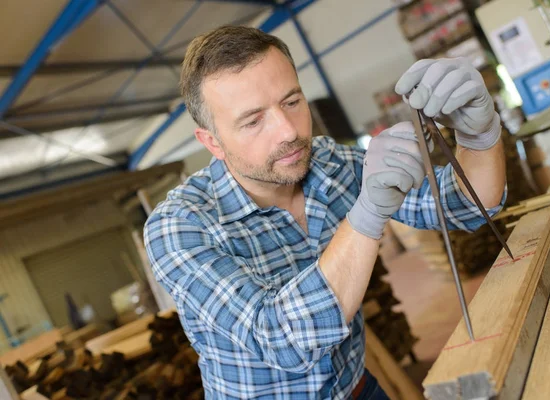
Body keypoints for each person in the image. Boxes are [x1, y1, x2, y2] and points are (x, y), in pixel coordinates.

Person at [144, 25, 507, 400]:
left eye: (291, 101)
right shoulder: (180, 226)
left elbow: (464, 205)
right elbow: (282, 341)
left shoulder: (329, 163)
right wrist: (367, 213)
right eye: (253, 121)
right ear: (211, 141)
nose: (287, 131)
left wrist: (479, 136)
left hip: (358, 389)